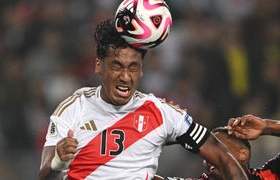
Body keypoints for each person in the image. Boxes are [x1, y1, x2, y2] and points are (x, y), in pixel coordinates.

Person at [39, 19, 248, 180]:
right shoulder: (74, 107)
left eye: (133, 68)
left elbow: (222, 156)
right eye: (116, 66)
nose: (125, 76)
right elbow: (44, 174)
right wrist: (58, 161)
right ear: (98, 66)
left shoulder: (162, 113)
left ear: (141, 71)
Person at [156, 114, 280, 180]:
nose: (207, 159)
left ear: (243, 154)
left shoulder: (271, 176)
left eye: (219, 147)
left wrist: (267, 127)